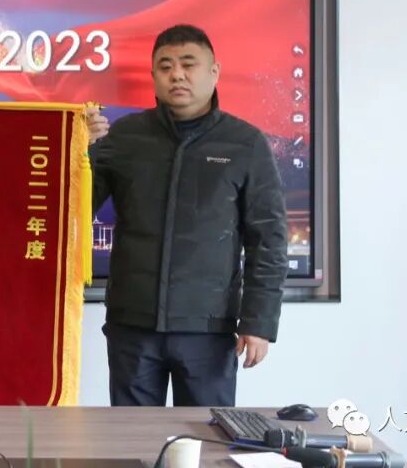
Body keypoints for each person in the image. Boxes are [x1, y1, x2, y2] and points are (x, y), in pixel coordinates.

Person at [84, 24, 288, 407]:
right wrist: (84, 150)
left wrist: (259, 322)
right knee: (131, 438)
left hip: (208, 330)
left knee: (204, 437)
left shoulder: (246, 144)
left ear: (214, 71)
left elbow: (269, 240)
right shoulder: (124, 137)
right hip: (132, 326)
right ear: (153, 76)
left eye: (188, 64)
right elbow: (77, 208)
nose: (177, 75)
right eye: (165, 67)